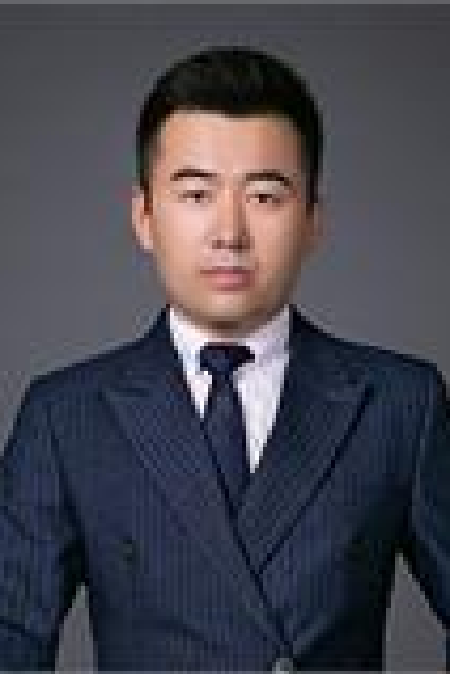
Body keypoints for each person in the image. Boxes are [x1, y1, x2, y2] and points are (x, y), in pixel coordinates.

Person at [0, 45, 449, 672]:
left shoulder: (401, 403)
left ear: (313, 221)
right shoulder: (65, 416)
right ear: (145, 217)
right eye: (195, 195)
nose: (229, 234)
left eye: (264, 197)